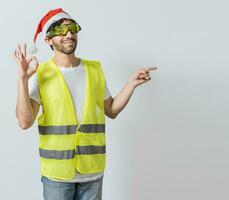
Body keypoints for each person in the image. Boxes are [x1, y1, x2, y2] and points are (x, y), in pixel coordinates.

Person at [13, 8, 157, 200]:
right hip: (58, 174)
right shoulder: (40, 74)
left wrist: (131, 84)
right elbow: (25, 122)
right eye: (61, 31)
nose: (69, 34)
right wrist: (22, 79)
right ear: (48, 39)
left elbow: (111, 110)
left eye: (72, 29)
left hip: (92, 171)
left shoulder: (94, 70)